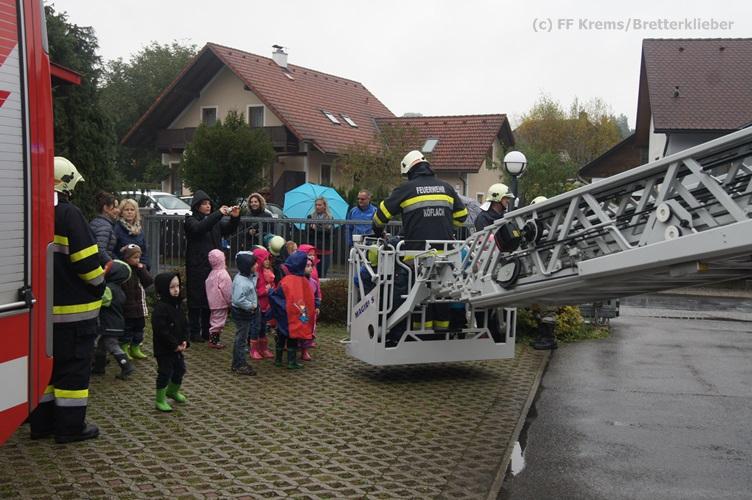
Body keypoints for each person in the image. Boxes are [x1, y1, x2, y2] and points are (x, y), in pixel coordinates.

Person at [29, 157, 105, 443]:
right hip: (74, 315)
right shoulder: (69, 214)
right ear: (66, 183)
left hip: (38, 313)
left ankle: (42, 425)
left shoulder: (31, 210)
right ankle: (70, 428)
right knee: (72, 371)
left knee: (44, 371)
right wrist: (100, 285)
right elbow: (87, 263)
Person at [372, 150, 467, 345]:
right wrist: (444, 225)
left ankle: (418, 335)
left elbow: (379, 218)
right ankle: (441, 335)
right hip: (445, 255)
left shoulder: (405, 189)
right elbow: (462, 217)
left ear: (409, 170)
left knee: (416, 295)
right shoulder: (446, 187)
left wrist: (378, 231)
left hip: (416, 256)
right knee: (441, 294)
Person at [184, 191, 240, 342]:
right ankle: (194, 331)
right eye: (204, 204)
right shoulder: (190, 220)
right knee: (195, 299)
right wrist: (219, 213)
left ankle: (206, 331)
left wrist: (235, 218)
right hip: (196, 265)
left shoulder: (214, 221)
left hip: (212, 267)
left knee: (210, 298)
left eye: (209, 203)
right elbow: (200, 228)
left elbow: (227, 229)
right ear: (197, 206)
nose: (208, 206)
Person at [270, 251, 315, 369]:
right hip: (296, 317)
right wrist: (305, 316)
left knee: (281, 337)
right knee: (293, 339)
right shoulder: (304, 282)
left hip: (283, 315)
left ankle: (278, 360)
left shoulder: (285, 280)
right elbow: (308, 300)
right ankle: (291, 362)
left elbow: (277, 295)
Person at [152, 272, 189, 412]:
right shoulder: (160, 308)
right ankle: (160, 399)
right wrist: (174, 345)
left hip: (178, 346)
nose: (176, 290)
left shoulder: (179, 305)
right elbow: (161, 331)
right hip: (164, 349)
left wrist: (185, 340)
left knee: (180, 369)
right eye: (172, 287)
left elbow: (185, 324)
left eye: (177, 286)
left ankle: (172, 391)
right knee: (165, 372)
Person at [93, 259, 135, 380]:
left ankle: (126, 366)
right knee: (101, 346)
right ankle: (99, 368)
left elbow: (101, 300)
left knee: (111, 345)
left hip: (108, 324)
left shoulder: (108, 289)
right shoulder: (119, 289)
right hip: (114, 323)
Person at [119, 244, 153, 359]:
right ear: (127, 258)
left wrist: (142, 269)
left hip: (139, 306)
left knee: (139, 328)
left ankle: (135, 347)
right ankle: (124, 347)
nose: (137, 260)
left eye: (139, 257)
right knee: (127, 329)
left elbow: (148, 281)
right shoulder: (123, 270)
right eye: (134, 257)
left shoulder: (140, 269)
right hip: (127, 307)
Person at [230, 252, 258, 375]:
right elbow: (238, 299)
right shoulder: (242, 282)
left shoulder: (246, 277)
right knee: (241, 339)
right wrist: (251, 306)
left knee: (242, 338)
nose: (257, 265)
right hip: (242, 312)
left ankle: (238, 362)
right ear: (247, 267)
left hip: (245, 312)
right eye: (254, 264)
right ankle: (239, 364)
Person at [251, 246, 275, 359]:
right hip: (258, 305)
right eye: (265, 259)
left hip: (267, 305)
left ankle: (263, 348)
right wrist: (265, 290)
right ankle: (254, 349)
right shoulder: (256, 275)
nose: (267, 261)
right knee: (256, 327)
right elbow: (253, 291)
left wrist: (273, 289)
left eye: (268, 259)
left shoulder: (269, 272)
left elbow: (273, 285)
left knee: (264, 327)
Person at [205, 249, 232, 349]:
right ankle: (214, 341)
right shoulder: (223, 274)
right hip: (221, 302)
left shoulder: (212, 273)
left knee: (214, 320)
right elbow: (227, 290)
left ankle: (213, 340)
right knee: (218, 322)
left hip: (212, 302)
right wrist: (230, 302)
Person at [114, 198, 150, 269]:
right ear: (121, 212)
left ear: (136, 212)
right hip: (123, 268)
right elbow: (113, 251)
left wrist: (144, 265)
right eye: (126, 210)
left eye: (132, 210)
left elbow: (144, 251)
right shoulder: (116, 229)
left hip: (139, 268)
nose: (129, 212)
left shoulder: (139, 230)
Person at [90, 191, 119, 264]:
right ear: (106, 208)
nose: (118, 210)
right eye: (115, 207)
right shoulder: (104, 226)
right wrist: (113, 265)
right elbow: (100, 251)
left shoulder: (98, 222)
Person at [307, 197, 333, 277]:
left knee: (322, 273)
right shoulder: (310, 217)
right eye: (316, 205)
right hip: (313, 249)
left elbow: (329, 232)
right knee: (312, 273)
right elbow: (308, 232)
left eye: (319, 205)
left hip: (325, 249)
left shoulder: (330, 218)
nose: (317, 207)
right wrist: (322, 229)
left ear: (324, 206)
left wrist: (316, 229)